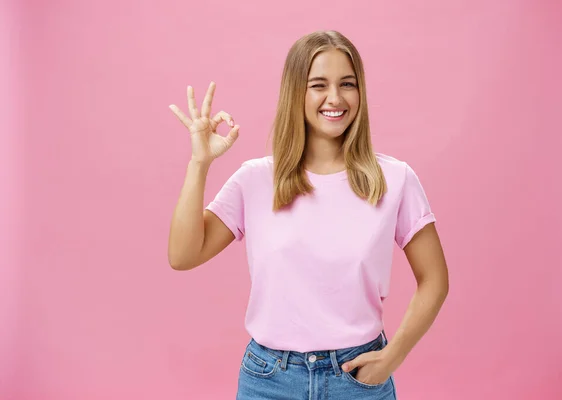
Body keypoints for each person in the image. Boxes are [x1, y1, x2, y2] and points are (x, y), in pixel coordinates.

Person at [167, 30, 449, 400]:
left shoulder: (394, 179)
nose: (335, 98)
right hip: (269, 380)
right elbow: (183, 256)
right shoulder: (255, 179)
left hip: (358, 379)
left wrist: (391, 357)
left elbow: (435, 279)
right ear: (296, 92)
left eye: (347, 84)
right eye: (319, 85)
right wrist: (199, 163)